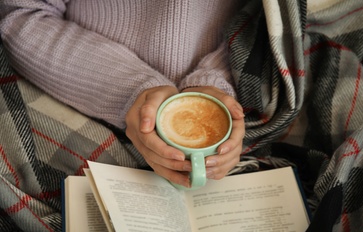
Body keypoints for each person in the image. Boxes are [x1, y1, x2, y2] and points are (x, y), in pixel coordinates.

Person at [0, 0, 246, 188]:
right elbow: (19, 14)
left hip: (242, 120)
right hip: (73, 110)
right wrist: (132, 90)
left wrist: (215, 81)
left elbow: (261, 23)